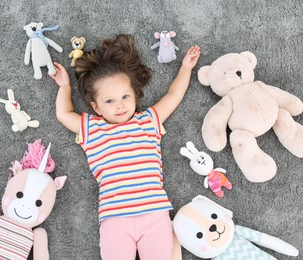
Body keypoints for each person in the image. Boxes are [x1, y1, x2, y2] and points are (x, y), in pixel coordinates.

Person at [51, 34, 200, 260]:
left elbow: (174, 94)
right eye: (109, 101)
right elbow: (64, 114)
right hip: (115, 217)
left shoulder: (148, 120)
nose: (119, 105)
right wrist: (64, 86)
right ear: (96, 107)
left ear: (134, 96)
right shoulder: (91, 128)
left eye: (125, 97)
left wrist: (186, 67)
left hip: (154, 213)